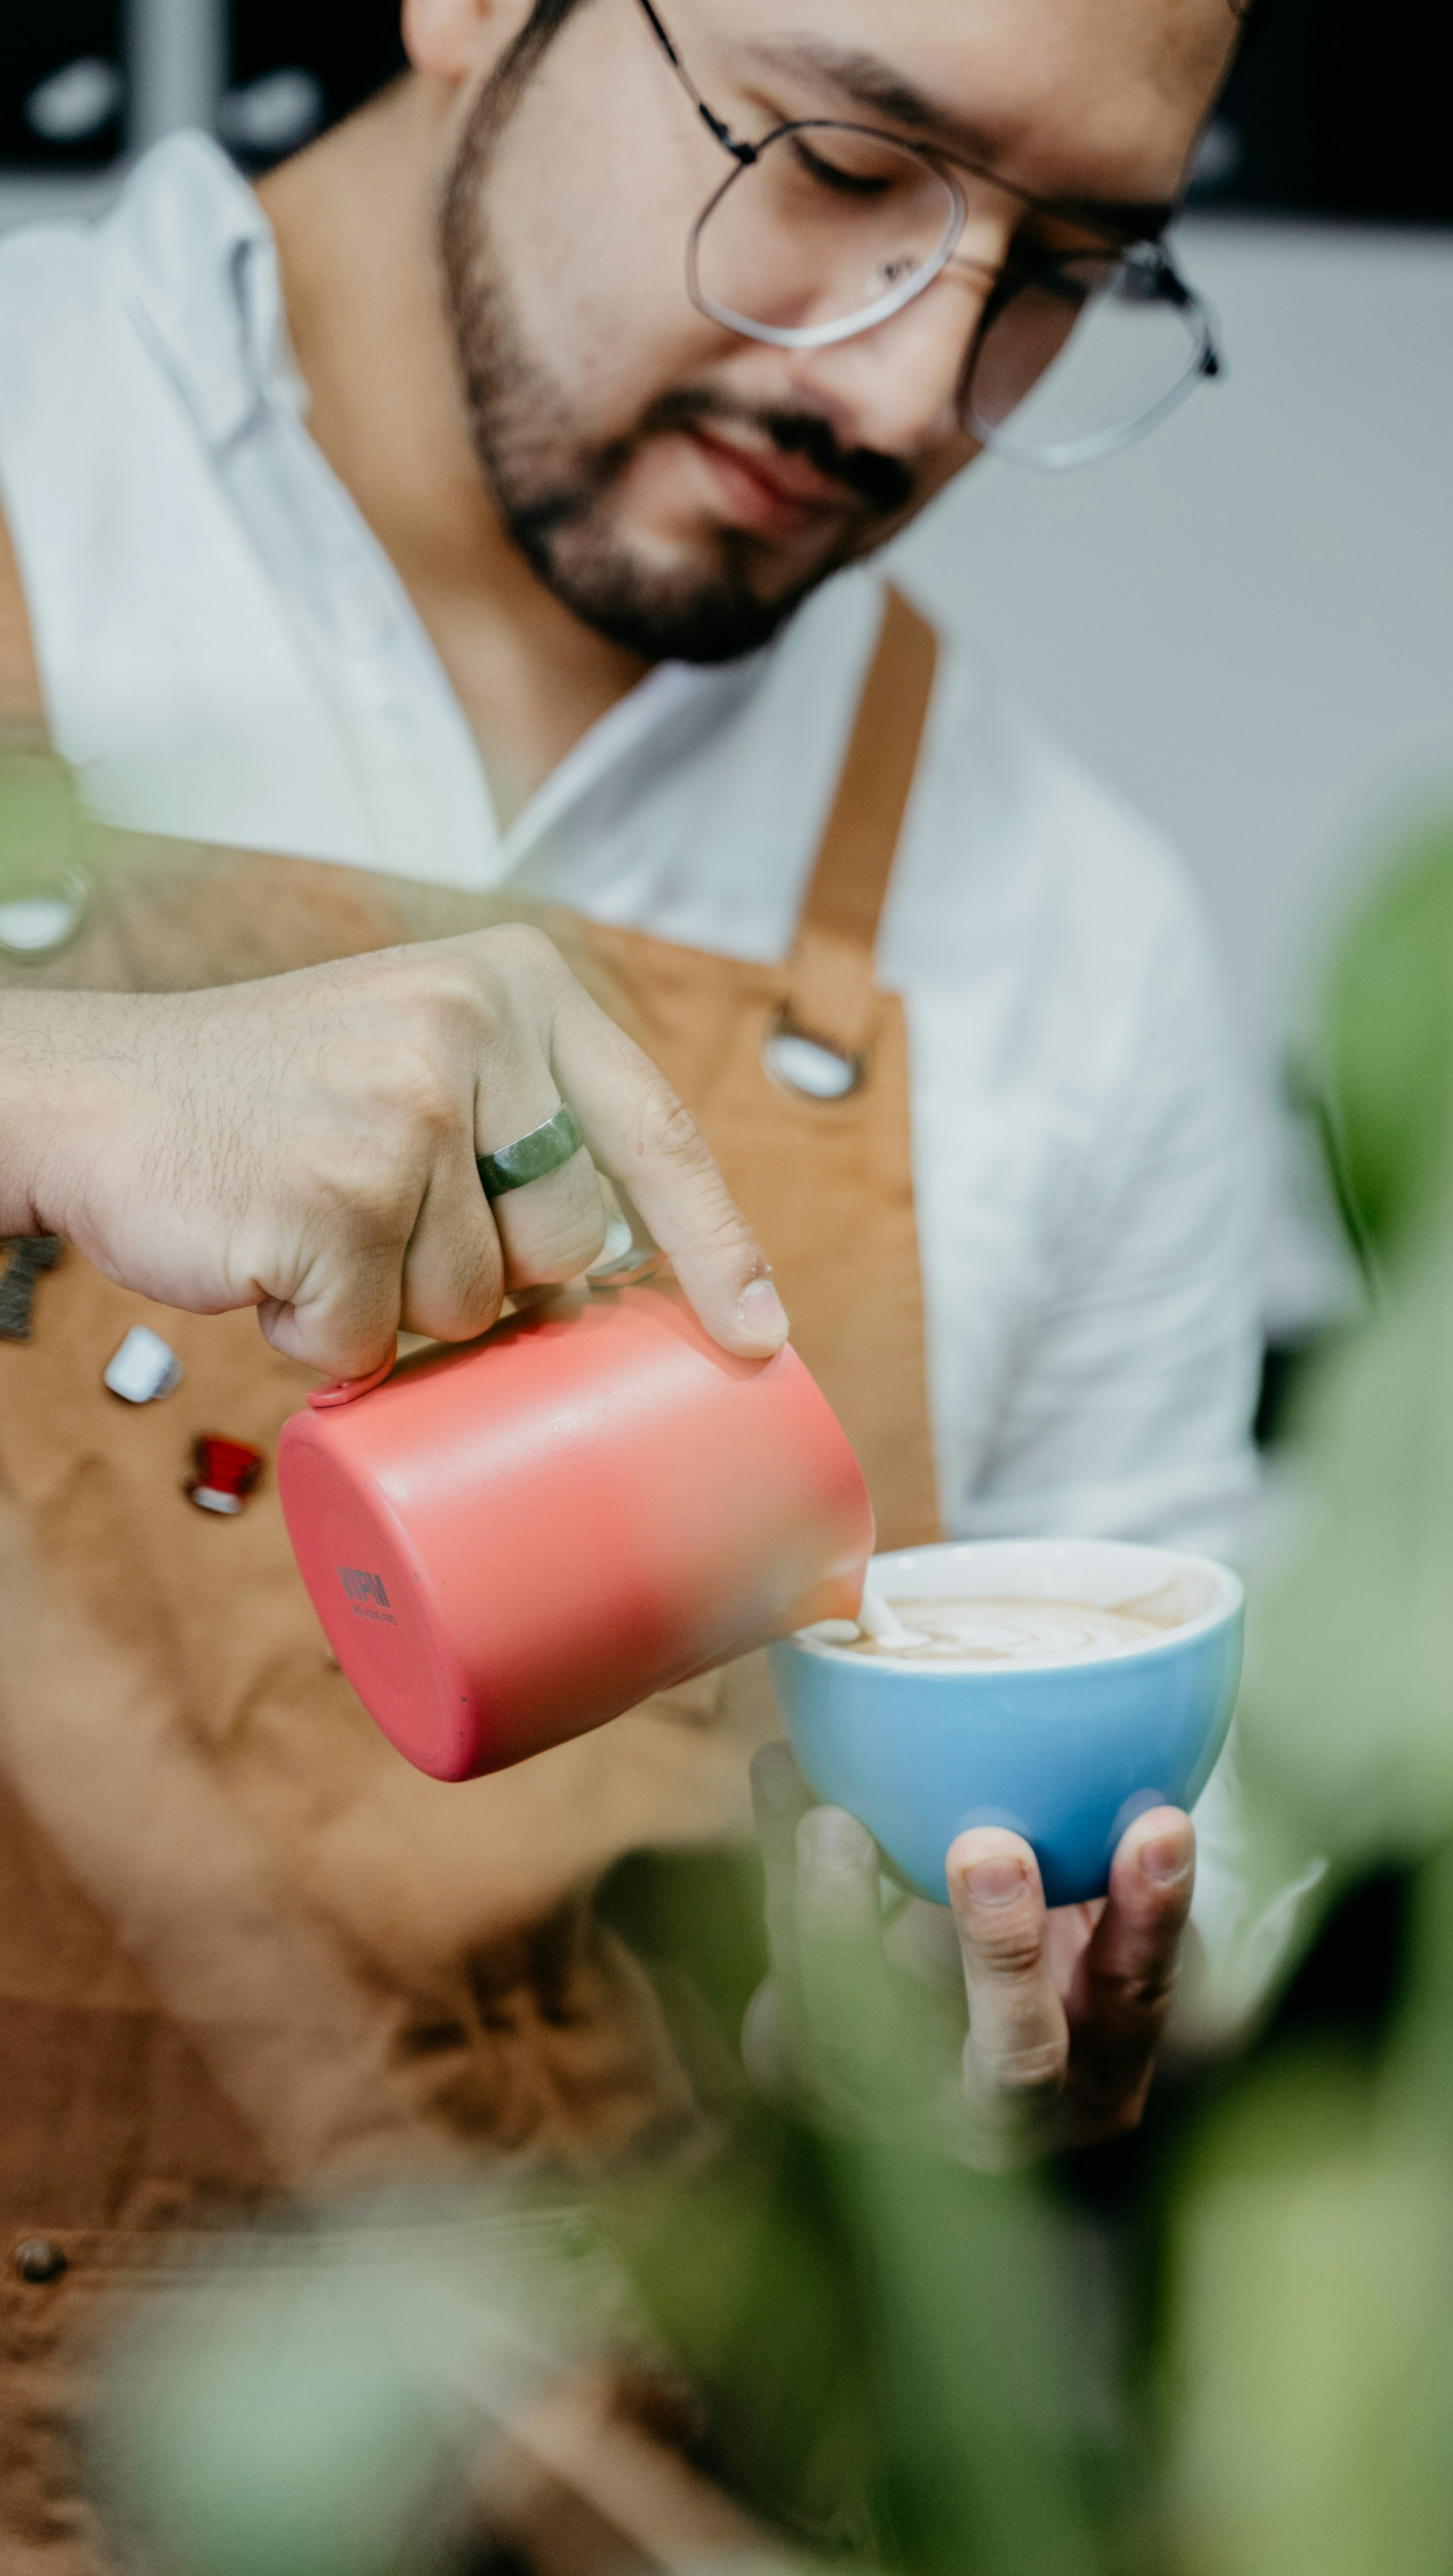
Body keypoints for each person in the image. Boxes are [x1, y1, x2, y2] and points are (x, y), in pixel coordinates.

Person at [0, 0, 1271, 2557]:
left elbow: (1192, 1833)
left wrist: (987, 2035)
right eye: (835, 158)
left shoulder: (1072, 939)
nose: (920, 390)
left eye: (1071, 272)